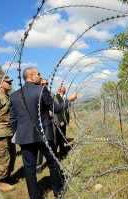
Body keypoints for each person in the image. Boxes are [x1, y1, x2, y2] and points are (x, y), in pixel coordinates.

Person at [9, 67, 77, 199]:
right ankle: (58, 191)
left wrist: (17, 134)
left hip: (25, 138)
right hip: (44, 136)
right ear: (32, 77)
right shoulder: (41, 91)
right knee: (53, 163)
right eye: (38, 74)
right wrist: (69, 100)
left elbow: (12, 119)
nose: (40, 76)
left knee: (29, 170)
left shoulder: (14, 95)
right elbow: (56, 109)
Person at [36, 78, 50, 174]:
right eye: (43, 83)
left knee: (50, 144)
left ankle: (52, 162)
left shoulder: (51, 94)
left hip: (49, 123)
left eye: (46, 84)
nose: (44, 85)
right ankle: (38, 164)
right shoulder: (36, 95)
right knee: (39, 146)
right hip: (39, 124)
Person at [52, 85, 71, 159]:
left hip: (64, 120)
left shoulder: (63, 97)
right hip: (61, 121)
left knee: (63, 136)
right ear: (61, 90)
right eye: (64, 88)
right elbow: (58, 110)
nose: (65, 89)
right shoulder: (57, 97)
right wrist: (61, 120)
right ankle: (59, 153)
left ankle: (62, 152)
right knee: (60, 137)